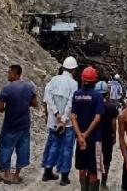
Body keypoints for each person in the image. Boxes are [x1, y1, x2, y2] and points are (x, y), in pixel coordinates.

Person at [0, 64, 37, 184]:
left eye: (9, 73)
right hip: (24, 124)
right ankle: (17, 175)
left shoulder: (6, 89)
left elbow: (0, 108)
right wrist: (24, 104)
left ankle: (7, 174)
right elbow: (34, 103)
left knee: (6, 147)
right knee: (22, 149)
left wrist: (4, 109)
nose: (7, 75)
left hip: (10, 125)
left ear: (15, 74)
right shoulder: (29, 86)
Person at [42, 56, 80, 185]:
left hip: (54, 121)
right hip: (67, 124)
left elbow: (48, 98)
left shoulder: (54, 80)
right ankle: (64, 177)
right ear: (73, 70)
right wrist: (63, 119)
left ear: (63, 67)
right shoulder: (73, 84)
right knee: (67, 149)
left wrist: (56, 113)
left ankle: (47, 171)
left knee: (53, 145)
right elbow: (71, 103)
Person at [71, 66, 104, 191]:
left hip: (80, 140)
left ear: (82, 78)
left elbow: (73, 116)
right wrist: (86, 134)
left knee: (82, 167)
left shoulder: (77, 94)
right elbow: (97, 119)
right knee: (93, 169)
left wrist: (79, 136)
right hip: (94, 138)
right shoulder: (97, 96)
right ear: (95, 80)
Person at [96, 80, 119, 191]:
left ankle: (94, 182)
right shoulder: (112, 107)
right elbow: (114, 123)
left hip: (95, 136)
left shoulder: (94, 105)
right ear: (107, 92)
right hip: (107, 137)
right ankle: (103, 184)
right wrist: (114, 135)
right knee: (106, 160)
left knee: (95, 159)